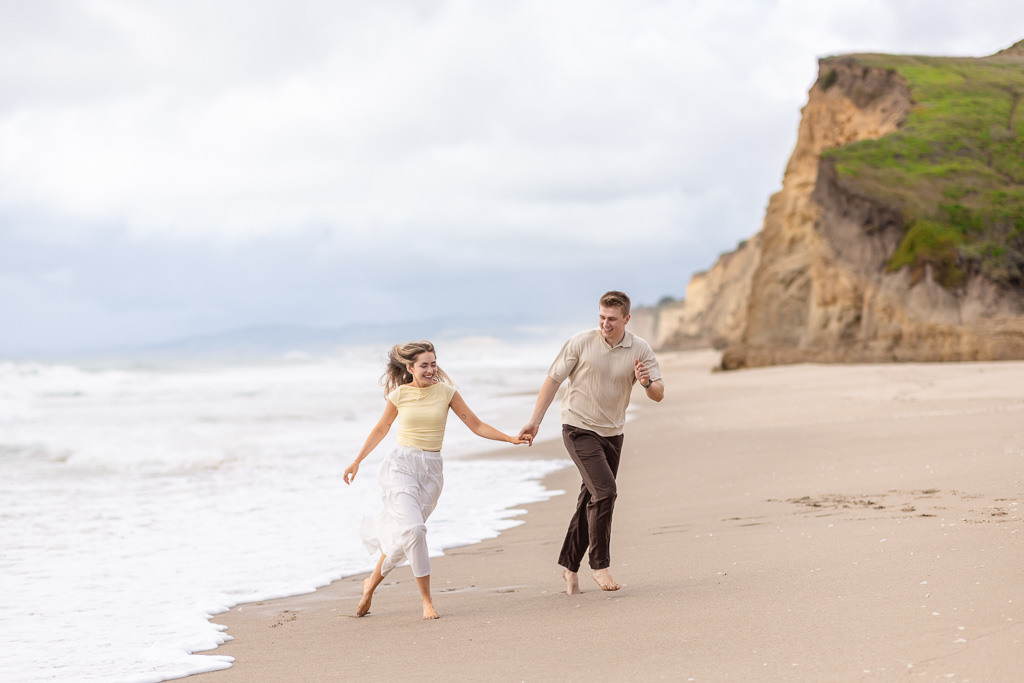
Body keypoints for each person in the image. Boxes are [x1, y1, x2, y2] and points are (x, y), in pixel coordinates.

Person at [344, 340, 530, 619]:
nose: (431, 370)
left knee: (406, 536)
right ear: (410, 368)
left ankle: (370, 584)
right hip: (400, 466)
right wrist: (357, 460)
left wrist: (510, 438)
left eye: (433, 364)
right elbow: (382, 428)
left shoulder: (446, 393)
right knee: (415, 530)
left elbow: (476, 425)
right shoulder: (399, 395)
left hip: (431, 472)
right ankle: (426, 601)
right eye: (424, 365)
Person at [519, 291, 663, 595]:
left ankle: (569, 568)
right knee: (606, 492)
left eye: (611, 319)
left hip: (613, 434)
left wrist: (647, 381)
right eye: (601, 317)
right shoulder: (581, 342)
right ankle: (600, 564)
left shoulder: (639, 348)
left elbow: (659, 393)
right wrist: (536, 420)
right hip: (578, 428)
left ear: (626, 318)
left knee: (590, 499)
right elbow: (553, 379)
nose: (605, 324)